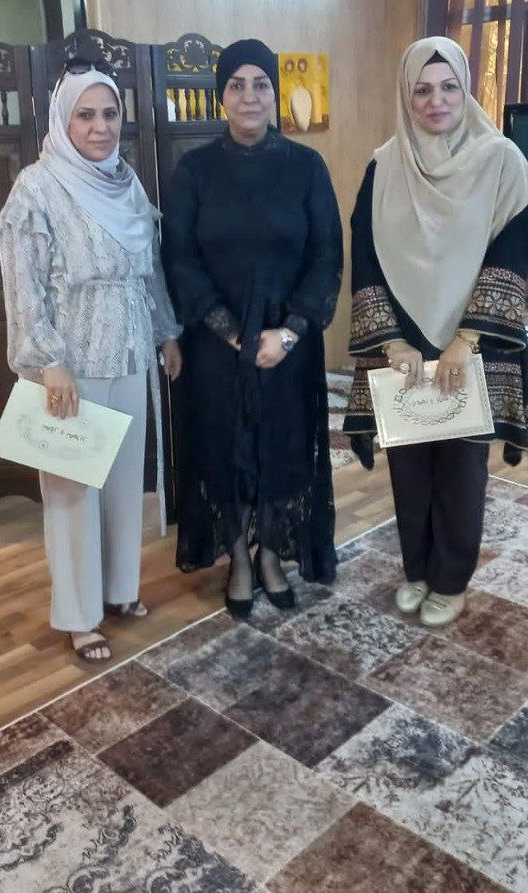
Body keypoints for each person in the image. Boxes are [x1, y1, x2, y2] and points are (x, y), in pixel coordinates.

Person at [342, 36, 528, 629]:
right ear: (407, 97)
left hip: (470, 340)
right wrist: (392, 341)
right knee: (409, 465)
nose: (437, 101)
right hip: (402, 339)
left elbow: (511, 254)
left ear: (466, 90)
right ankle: (416, 570)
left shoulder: (501, 160)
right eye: (422, 90)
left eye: (449, 87)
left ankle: (450, 578)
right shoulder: (384, 165)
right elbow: (366, 254)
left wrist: (466, 340)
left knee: (460, 468)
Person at [0, 60, 182, 662]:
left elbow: (149, 269)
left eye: (110, 114)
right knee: (72, 490)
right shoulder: (37, 187)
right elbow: (23, 287)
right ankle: (78, 615)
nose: (101, 127)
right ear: (62, 120)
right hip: (71, 363)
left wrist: (166, 334)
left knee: (123, 483)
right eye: (86, 115)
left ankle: (120, 589)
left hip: (129, 352)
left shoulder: (126, 182)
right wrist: (48, 361)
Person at [162, 38, 343, 619]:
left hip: (287, 348)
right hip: (216, 348)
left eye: (260, 84)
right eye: (237, 85)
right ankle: (239, 558)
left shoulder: (306, 167)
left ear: (275, 93)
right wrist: (233, 333)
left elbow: (326, 255)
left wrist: (287, 333)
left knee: (281, 449)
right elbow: (180, 259)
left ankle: (270, 555)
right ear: (221, 96)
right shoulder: (194, 171)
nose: (249, 96)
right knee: (224, 452)